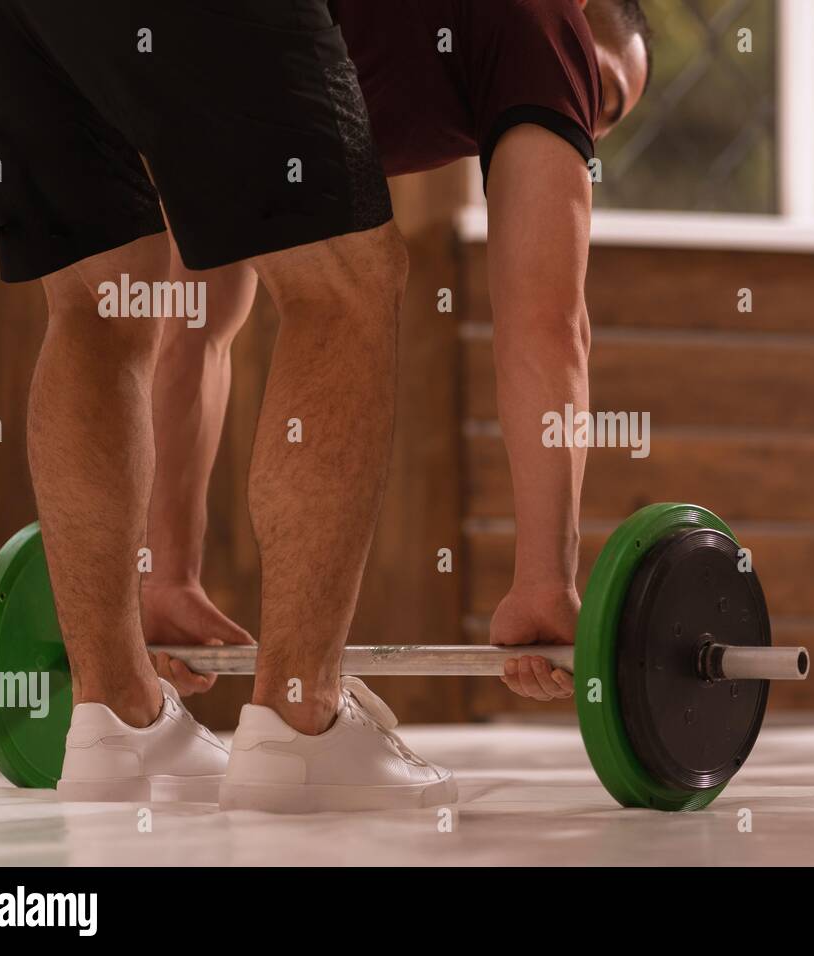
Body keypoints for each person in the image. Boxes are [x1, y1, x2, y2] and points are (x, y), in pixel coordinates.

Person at [145, 0, 652, 723]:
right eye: (601, 94)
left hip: (144, 46)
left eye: (608, 123)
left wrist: (164, 577)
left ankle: (118, 710)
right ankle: (298, 725)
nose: (591, 127)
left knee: (200, 311)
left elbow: (193, 332)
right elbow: (549, 324)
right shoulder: (549, 28)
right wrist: (546, 579)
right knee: (351, 294)